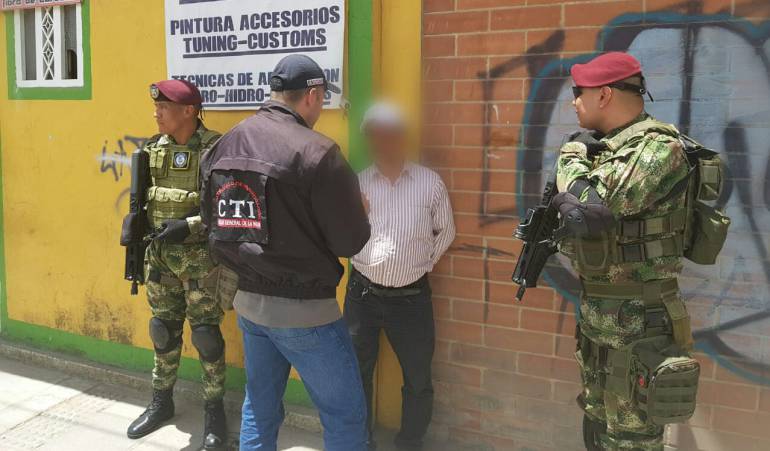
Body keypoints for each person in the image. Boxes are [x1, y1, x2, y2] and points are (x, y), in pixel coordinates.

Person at [199, 54, 371, 451]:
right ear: (312, 95)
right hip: (306, 313)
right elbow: (350, 243)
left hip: (249, 306)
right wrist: (360, 212)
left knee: (259, 408)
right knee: (344, 416)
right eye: (322, 99)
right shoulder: (318, 152)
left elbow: (211, 221)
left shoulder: (224, 144)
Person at [553, 52, 704, 450]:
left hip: (641, 324)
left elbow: (588, 210)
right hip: (602, 316)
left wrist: (570, 155)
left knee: (633, 439)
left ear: (604, 95)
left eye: (578, 92)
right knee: (598, 427)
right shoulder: (606, 149)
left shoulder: (658, 148)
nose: (574, 102)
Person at [344, 102, 456, 450]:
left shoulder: (429, 182)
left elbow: (446, 231)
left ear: (403, 136)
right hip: (362, 296)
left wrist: (420, 264)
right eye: (376, 134)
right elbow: (344, 235)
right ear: (369, 139)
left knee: (418, 377)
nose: (384, 141)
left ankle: (410, 441)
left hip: (411, 299)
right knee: (357, 373)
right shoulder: (357, 184)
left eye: (391, 133)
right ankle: (361, 441)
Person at [125, 80, 227, 450]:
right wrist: (134, 227)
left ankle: (214, 409)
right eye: (156, 107)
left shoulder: (216, 149)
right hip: (160, 261)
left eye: (164, 107)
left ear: (189, 111)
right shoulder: (153, 149)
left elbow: (226, 205)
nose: (156, 113)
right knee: (162, 332)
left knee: (207, 338)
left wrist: (190, 225)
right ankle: (161, 401)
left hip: (201, 263)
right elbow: (144, 202)